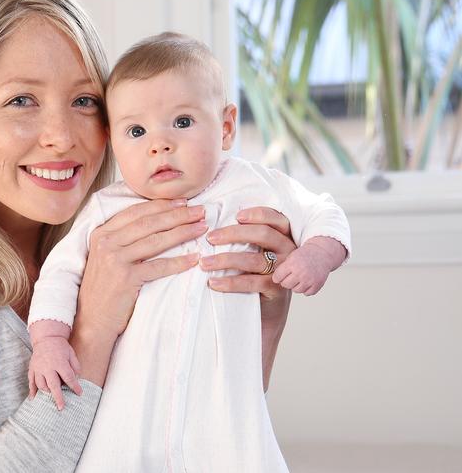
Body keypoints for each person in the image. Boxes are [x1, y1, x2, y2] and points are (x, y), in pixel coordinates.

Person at [0, 0, 296, 471]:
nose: (64, 137)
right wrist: (89, 333)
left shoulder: (136, 246)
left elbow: (203, 427)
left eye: (85, 100)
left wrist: (265, 321)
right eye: (22, 100)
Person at [27, 33, 351, 472]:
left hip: (223, 417)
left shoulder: (255, 185)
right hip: (130, 415)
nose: (159, 144)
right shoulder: (107, 210)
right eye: (136, 131)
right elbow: (59, 273)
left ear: (226, 127)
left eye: (181, 122)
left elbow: (324, 212)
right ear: (113, 142)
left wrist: (316, 255)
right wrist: (48, 340)